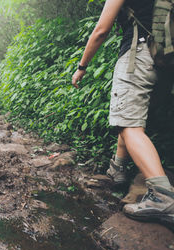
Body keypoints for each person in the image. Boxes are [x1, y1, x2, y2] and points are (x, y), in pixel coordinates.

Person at [72, 0, 174, 226]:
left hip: (138, 54)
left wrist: (81, 67)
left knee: (129, 126)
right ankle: (117, 170)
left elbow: (101, 30)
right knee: (131, 118)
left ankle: (162, 195)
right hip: (162, 59)